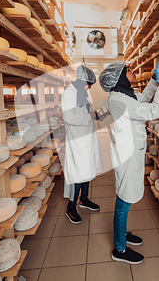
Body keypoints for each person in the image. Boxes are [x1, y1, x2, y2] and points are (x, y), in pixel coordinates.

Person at [99, 59, 159, 264]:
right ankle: (119, 248)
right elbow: (155, 110)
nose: (133, 72)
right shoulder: (121, 100)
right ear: (120, 77)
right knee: (123, 201)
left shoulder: (124, 96)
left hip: (129, 155)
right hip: (127, 158)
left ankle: (123, 234)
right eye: (128, 70)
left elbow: (143, 98)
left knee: (125, 198)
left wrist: (154, 78)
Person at [61, 65, 103, 224]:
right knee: (78, 173)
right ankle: (71, 206)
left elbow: (89, 112)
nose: (90, 87)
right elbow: (69, 117)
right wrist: (90, 115)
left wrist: (97, 115)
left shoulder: (84, 93)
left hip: (88, 138)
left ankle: (84, 199)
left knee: (88, 169)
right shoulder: (69, 94)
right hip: (78, 140)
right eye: (89, 84)